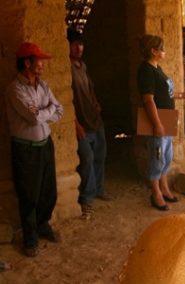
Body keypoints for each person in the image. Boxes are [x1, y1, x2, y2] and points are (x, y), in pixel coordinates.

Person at [5, 42, 64, 257]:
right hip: (26, 149)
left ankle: (43, 225)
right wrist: (46, 111)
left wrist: (43, 111)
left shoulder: (43, 85)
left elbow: (60, 110)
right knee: (29, 193)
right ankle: (30, 237)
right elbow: (32, 118)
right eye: (39, 61)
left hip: (45, 145)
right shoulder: (15, 89)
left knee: (48, 190)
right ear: (28, 63)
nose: (43, 65)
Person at [68, 29, 111, 218]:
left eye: (81, 44)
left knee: (100, 155)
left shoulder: (82, 66)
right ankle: (87, 198)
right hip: (81, 123)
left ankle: (99, 189)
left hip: (94, 119)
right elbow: (66, 99)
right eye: (74, 44)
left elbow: (91, 88)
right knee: (86, 158)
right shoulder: (66, 68)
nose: (79, 48)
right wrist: (76, 124)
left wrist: (95, 103)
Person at [137, 34, 179, 211]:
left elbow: (165, 94)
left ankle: (164, 188)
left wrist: (184, 96)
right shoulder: (146, 70)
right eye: (162, 48)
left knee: (167, 157)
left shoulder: (157, 68)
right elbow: (149, 100)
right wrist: (157, 124)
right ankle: (156, 193)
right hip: (158, 120)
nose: (164, 51)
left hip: (166, 119)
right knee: (157, 157)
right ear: (153, 51)